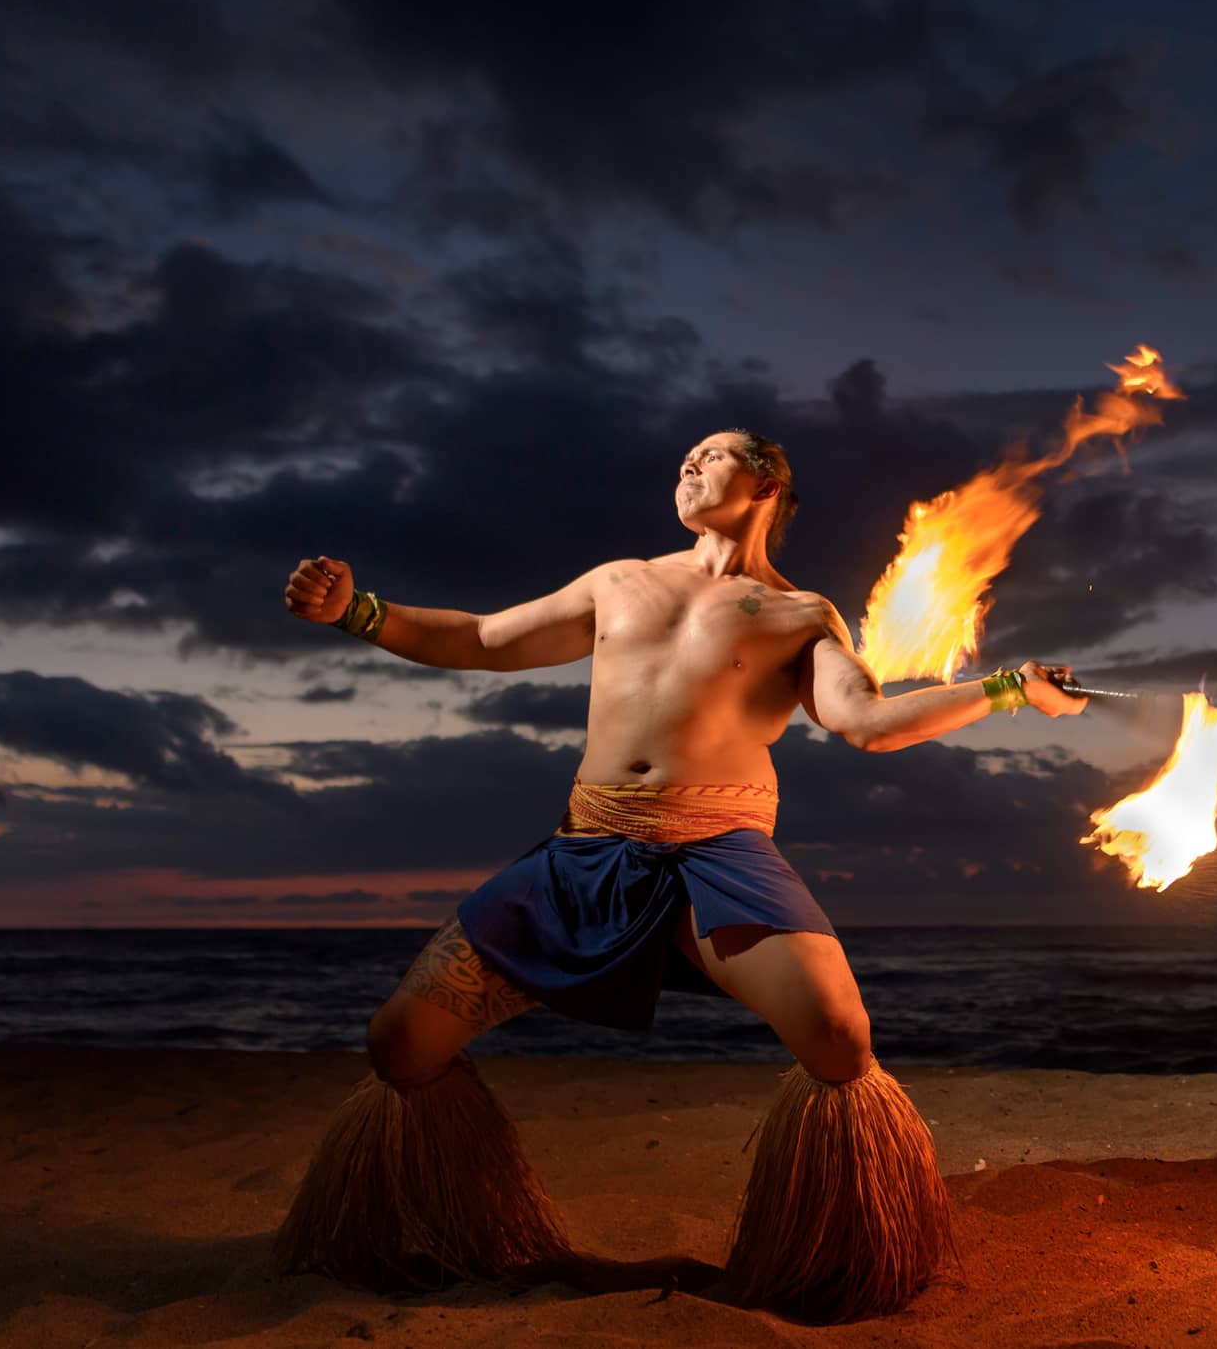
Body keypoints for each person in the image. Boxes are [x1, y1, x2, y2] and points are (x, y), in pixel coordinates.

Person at [272, 428, 1085, 1321]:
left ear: (766, 481)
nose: (688, 465)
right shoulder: (619, 581)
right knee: (399, 1047)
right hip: (585, 851)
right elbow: (482, 638)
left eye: (714, 453)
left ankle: (827, 1257)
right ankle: (454, 1228)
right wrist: (359, 612)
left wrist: (1009, 689)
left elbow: (870, 723)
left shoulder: (801, 615)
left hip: (719, 855)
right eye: (685, 458)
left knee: (840, 1038)